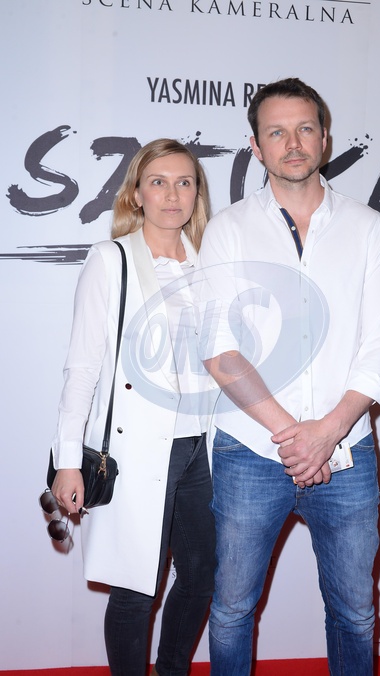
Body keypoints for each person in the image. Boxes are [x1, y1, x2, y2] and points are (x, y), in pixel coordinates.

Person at [197, 78, 380, 675]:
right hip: (249, 451)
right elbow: (219, 350)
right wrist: (297, 437)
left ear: (324, 137)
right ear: (255, 146)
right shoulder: (228, 230)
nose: (293, 143)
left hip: (348, 452)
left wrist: (328, 432)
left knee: (355, 614)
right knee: (231, 611)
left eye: (304, 128)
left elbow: (379, 350)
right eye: (277, 132)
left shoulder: (368, 229)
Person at [49, 138, 216, 676]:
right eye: (158, 182)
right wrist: (67, 460)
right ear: (137, 194)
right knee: (136, 587)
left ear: (196, 194)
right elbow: (82, 367)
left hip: (203, 446)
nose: (172, 194)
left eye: (184, 182)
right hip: (139, 446)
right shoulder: (111, 259)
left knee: (201, 576)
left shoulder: (210, 264)